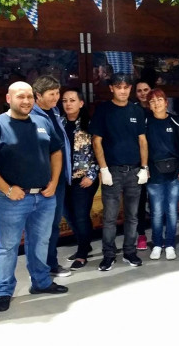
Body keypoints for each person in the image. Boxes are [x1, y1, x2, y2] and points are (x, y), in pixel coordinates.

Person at [0, 81, 67, 314]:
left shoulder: (43, 122)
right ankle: (4, 291)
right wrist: (7, 189)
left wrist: (54, 182)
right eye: (20, 97)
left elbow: (56, 151)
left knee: (41, 242)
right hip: (10, 200)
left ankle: (41, 282)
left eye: (29, 97)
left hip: (44, 197)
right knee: (8, 246)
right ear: (9, 99)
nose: (26, 101)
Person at [90, 74, 149, 271]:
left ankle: (130, 252)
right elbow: (96, 141)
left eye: (126, 87)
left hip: (134, 170)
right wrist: (103, 169)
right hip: (112, 171)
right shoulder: (104, 110)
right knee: (110, 218)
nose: (122, 90)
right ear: (111, 88)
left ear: (130, 88)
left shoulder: (136, 110)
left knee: (133, 216)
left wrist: (144, 167)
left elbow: (142, 140)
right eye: (118, 87)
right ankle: (108, 255)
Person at [31, 75, 73, 278]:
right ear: (38, 95)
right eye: (51, 94)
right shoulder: (31, 116)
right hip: (41, 181)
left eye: (57, 93)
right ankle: (39, 269)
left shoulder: (54, 112)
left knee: (54, 225)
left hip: (59, 178)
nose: (56, 97)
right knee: (40, 228)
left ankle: (51, 264)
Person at [145, 88, 179, 260]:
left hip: (175, 173)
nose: (156, 104)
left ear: (166, 102)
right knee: (156, 211)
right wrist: (144, 168)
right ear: (149, 105)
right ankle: (157, 243)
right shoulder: (146, 122)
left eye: (159, 100)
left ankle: (170, 244)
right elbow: (142, 146)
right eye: (152, 101)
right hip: (153, 174)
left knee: (171, 210)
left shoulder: (176, 121)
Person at [60, 89, 99, 270]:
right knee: (68, 214)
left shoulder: (90, 124)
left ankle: (82, 253)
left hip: (84, 179)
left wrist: (91, 175)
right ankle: (85, 243)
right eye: (65, 100)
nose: (68, 104)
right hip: (63, 179)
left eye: (72, 100)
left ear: (81, 103)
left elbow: (99, 151)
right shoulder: (58, 124)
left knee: (81, 216)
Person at [134, 79, 153, 251]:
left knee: (155, 201)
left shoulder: (157, 108)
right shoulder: (133, 110)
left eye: (145, 89)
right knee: (139, 201)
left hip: (157, 162)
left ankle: (158, 235)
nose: (143, 93)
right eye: (139, 90)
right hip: (138, 162)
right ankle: (141, 234)